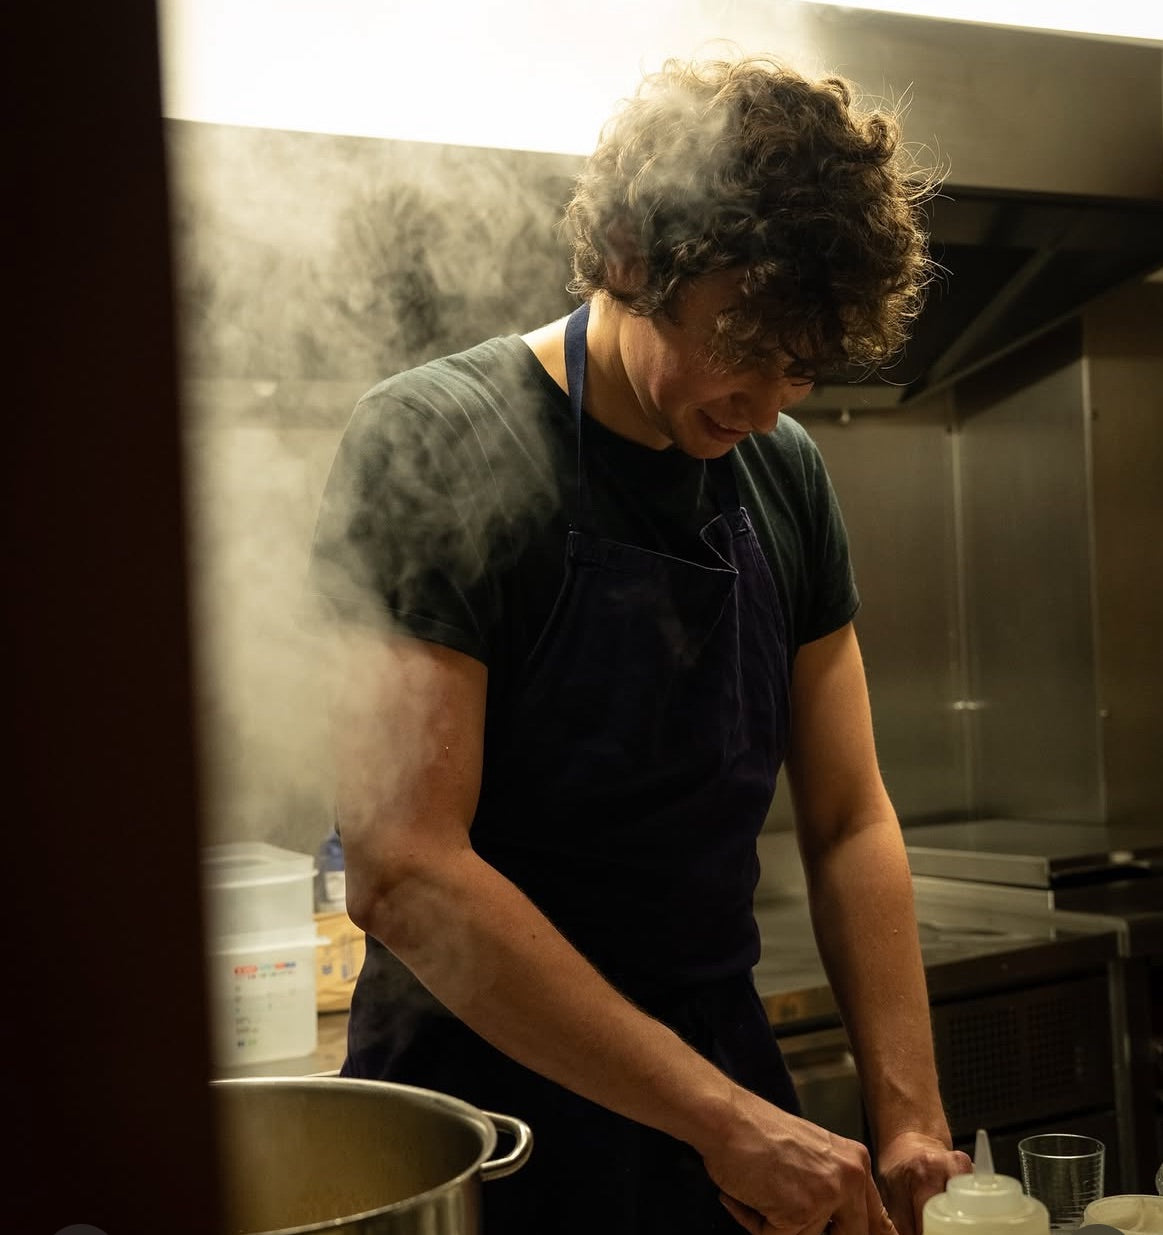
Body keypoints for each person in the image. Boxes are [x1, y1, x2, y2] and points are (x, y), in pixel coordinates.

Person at [307, 54, 971, 1235]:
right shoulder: (438, 440)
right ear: (626, 254)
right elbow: (404, 866)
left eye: (803, 366)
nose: (769, 403)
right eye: (744, 342)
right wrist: (721, 1117)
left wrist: (908, 1118)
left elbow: (848, 815)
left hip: (725, 1118)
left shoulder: (780, 472)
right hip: (488, 1124)